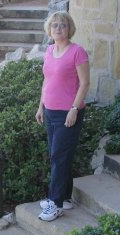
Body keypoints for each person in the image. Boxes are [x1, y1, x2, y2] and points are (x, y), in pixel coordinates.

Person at [35, 11, 90, 221]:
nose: (59, 29)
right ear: (50, 29)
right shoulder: (49, 51)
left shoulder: (78, 52)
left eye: (63, 25)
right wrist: (41, 107)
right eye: (55, 25)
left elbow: (84, 83)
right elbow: (46, 81)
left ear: (70, 29)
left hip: (69, 113)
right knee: (57, 156)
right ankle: (65, 198)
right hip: (49, 111)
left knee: (59, 156)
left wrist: (74, 109)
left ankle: (55, 203)